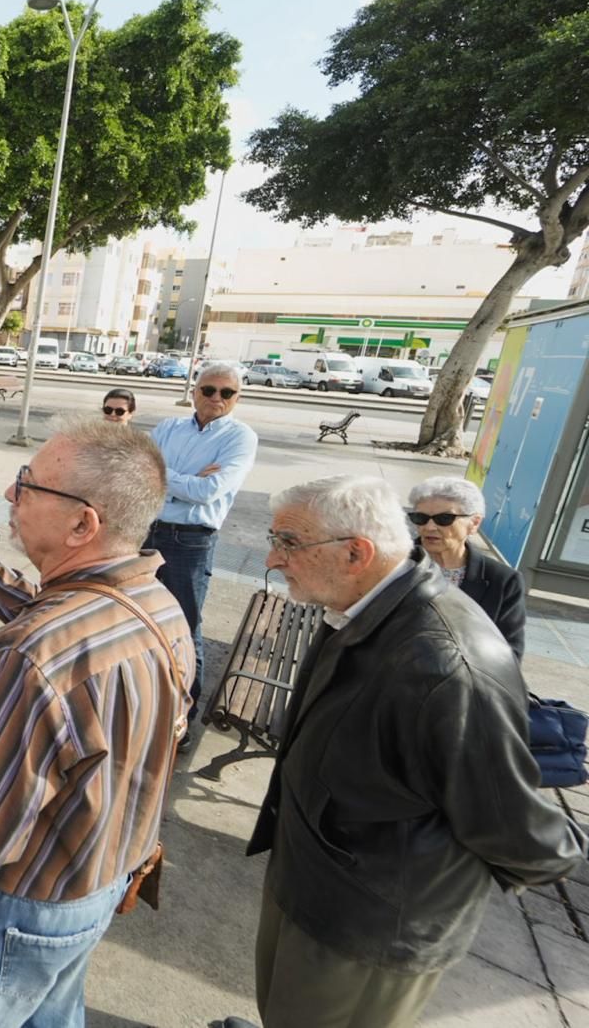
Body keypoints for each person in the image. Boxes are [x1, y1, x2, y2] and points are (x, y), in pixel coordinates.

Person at [215, 475, 586, 1028]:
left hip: (371, 920)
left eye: (289, 543)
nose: (272, 557)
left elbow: (516, 827)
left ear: (356, 552)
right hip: (317, 881)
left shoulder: (443, 665)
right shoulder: (362, 604)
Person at [0, 416, 192, 1027]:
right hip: (96, 883)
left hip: (15, 913)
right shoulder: (156, 606)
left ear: (84, 522)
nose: (10, 496)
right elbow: (54, 608)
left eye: (28, 484)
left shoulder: (26, 656)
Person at [148, 360, 258, 723]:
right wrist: (184, 480)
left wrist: (165, 476)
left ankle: (183, 714)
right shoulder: (168, 427)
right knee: (141, 618)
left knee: (183, 625)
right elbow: (141, 470)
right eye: (209, 389)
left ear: (237, 398)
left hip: (191, 542)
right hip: (149, 531)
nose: (216, 398)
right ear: (194, 391)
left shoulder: (239, 438)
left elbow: (208, 491)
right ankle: (146, 696)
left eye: (227, 392)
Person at [407, 475, 526, 659]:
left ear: (474, 523)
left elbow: (509, 655)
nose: (429, 527)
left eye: (444, 518)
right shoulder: (393, 565)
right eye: (421, 518)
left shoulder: (503, 581)